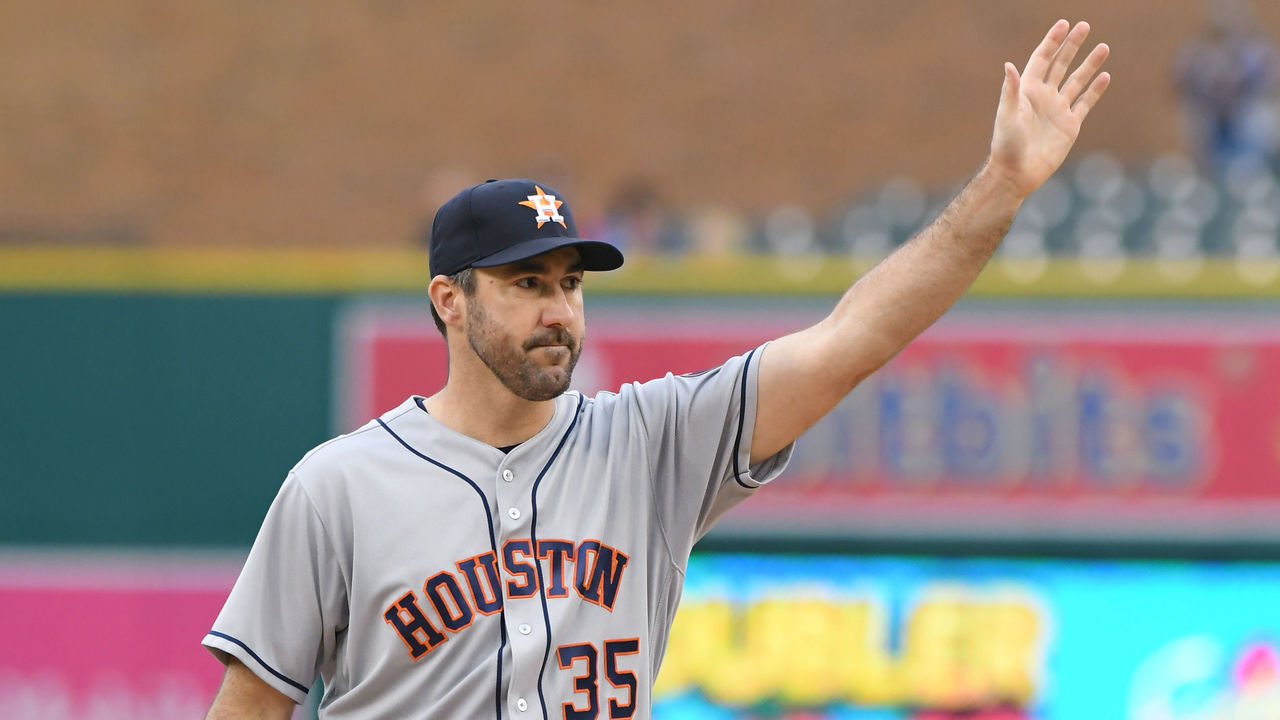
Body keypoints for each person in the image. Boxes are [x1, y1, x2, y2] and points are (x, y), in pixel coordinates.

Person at [202, 19, 1110, 720]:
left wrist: (1002, 186)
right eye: (527, 284)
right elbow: (249, 707)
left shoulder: (653, 443)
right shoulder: (337, 489)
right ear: (449, 300)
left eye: (570, 283)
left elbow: (852, 337)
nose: (560, 309)